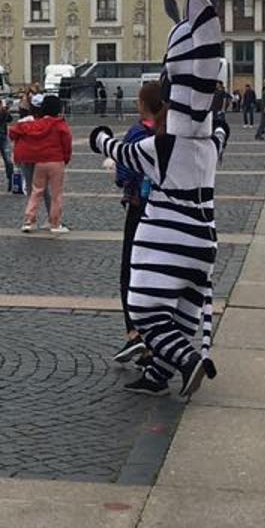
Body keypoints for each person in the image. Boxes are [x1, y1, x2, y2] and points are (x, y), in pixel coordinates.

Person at [90, 0, 228, 400]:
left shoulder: (162, 147)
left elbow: (123, 153)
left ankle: (188, 361)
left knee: (147, 310)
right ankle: (157, 377)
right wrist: (214, 121)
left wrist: (98, 138)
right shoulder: (207, 145)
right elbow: (219, 130)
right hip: (205, 239)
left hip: (168, 235)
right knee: (184, 310)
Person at [109, 81, 165, 364]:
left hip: (139, 210)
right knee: (158, 274)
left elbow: (123, 170)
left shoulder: (137, 132)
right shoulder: (172, 131)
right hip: (166, 214)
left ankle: (135, 334)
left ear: (144, 104)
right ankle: (157, 340)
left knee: (130, 273)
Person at [9, 95, 72, 232]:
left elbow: (15, 131)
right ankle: (54, 223)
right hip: (56, 161)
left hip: (40, 162)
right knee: (56, 194)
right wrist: (66, 158)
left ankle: (29, 221)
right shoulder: (60, 124)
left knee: (36, 191)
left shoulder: (35, 123)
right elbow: (66, 142)